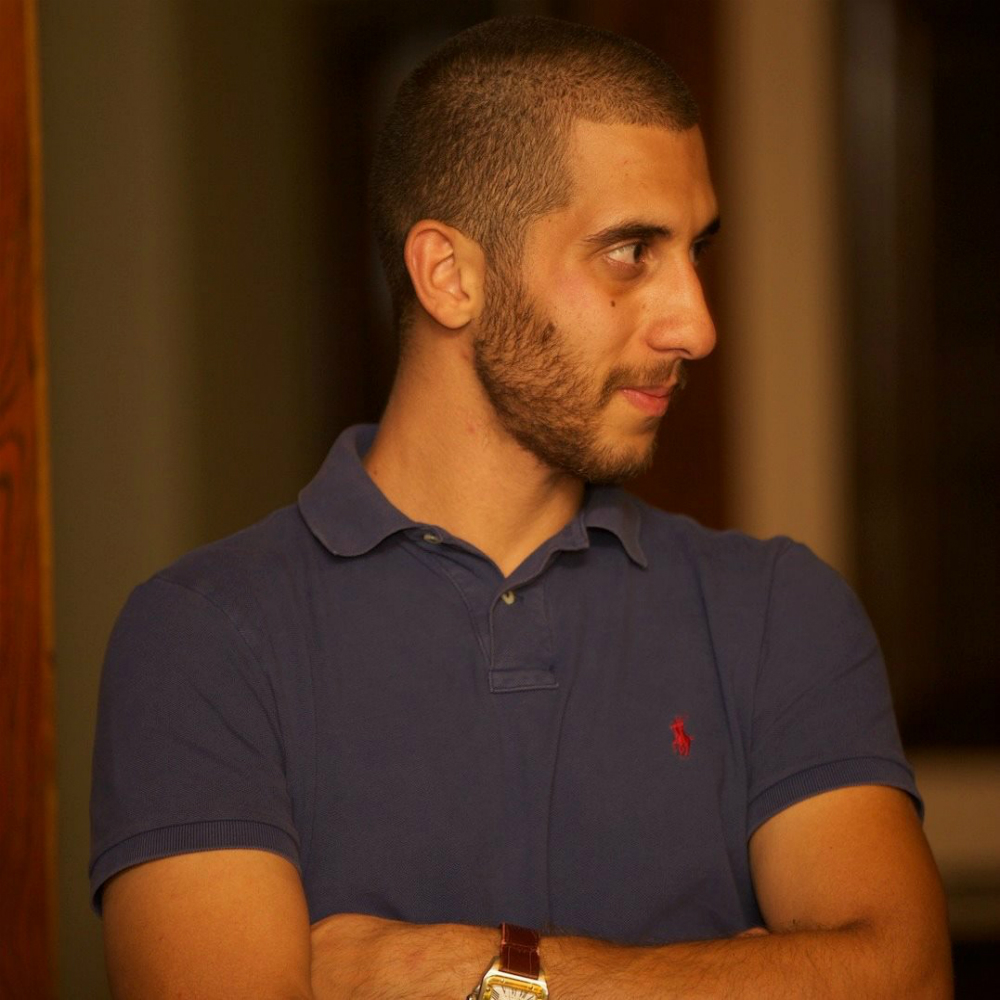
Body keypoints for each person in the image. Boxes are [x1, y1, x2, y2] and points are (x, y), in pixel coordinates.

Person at [91, 15, 951, 999]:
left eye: (694, 251)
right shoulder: (204, 636)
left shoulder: (776, 611)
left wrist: (470, 970)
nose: (697, 325)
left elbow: (902, 976)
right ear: (449, 276)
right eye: (631, 251)